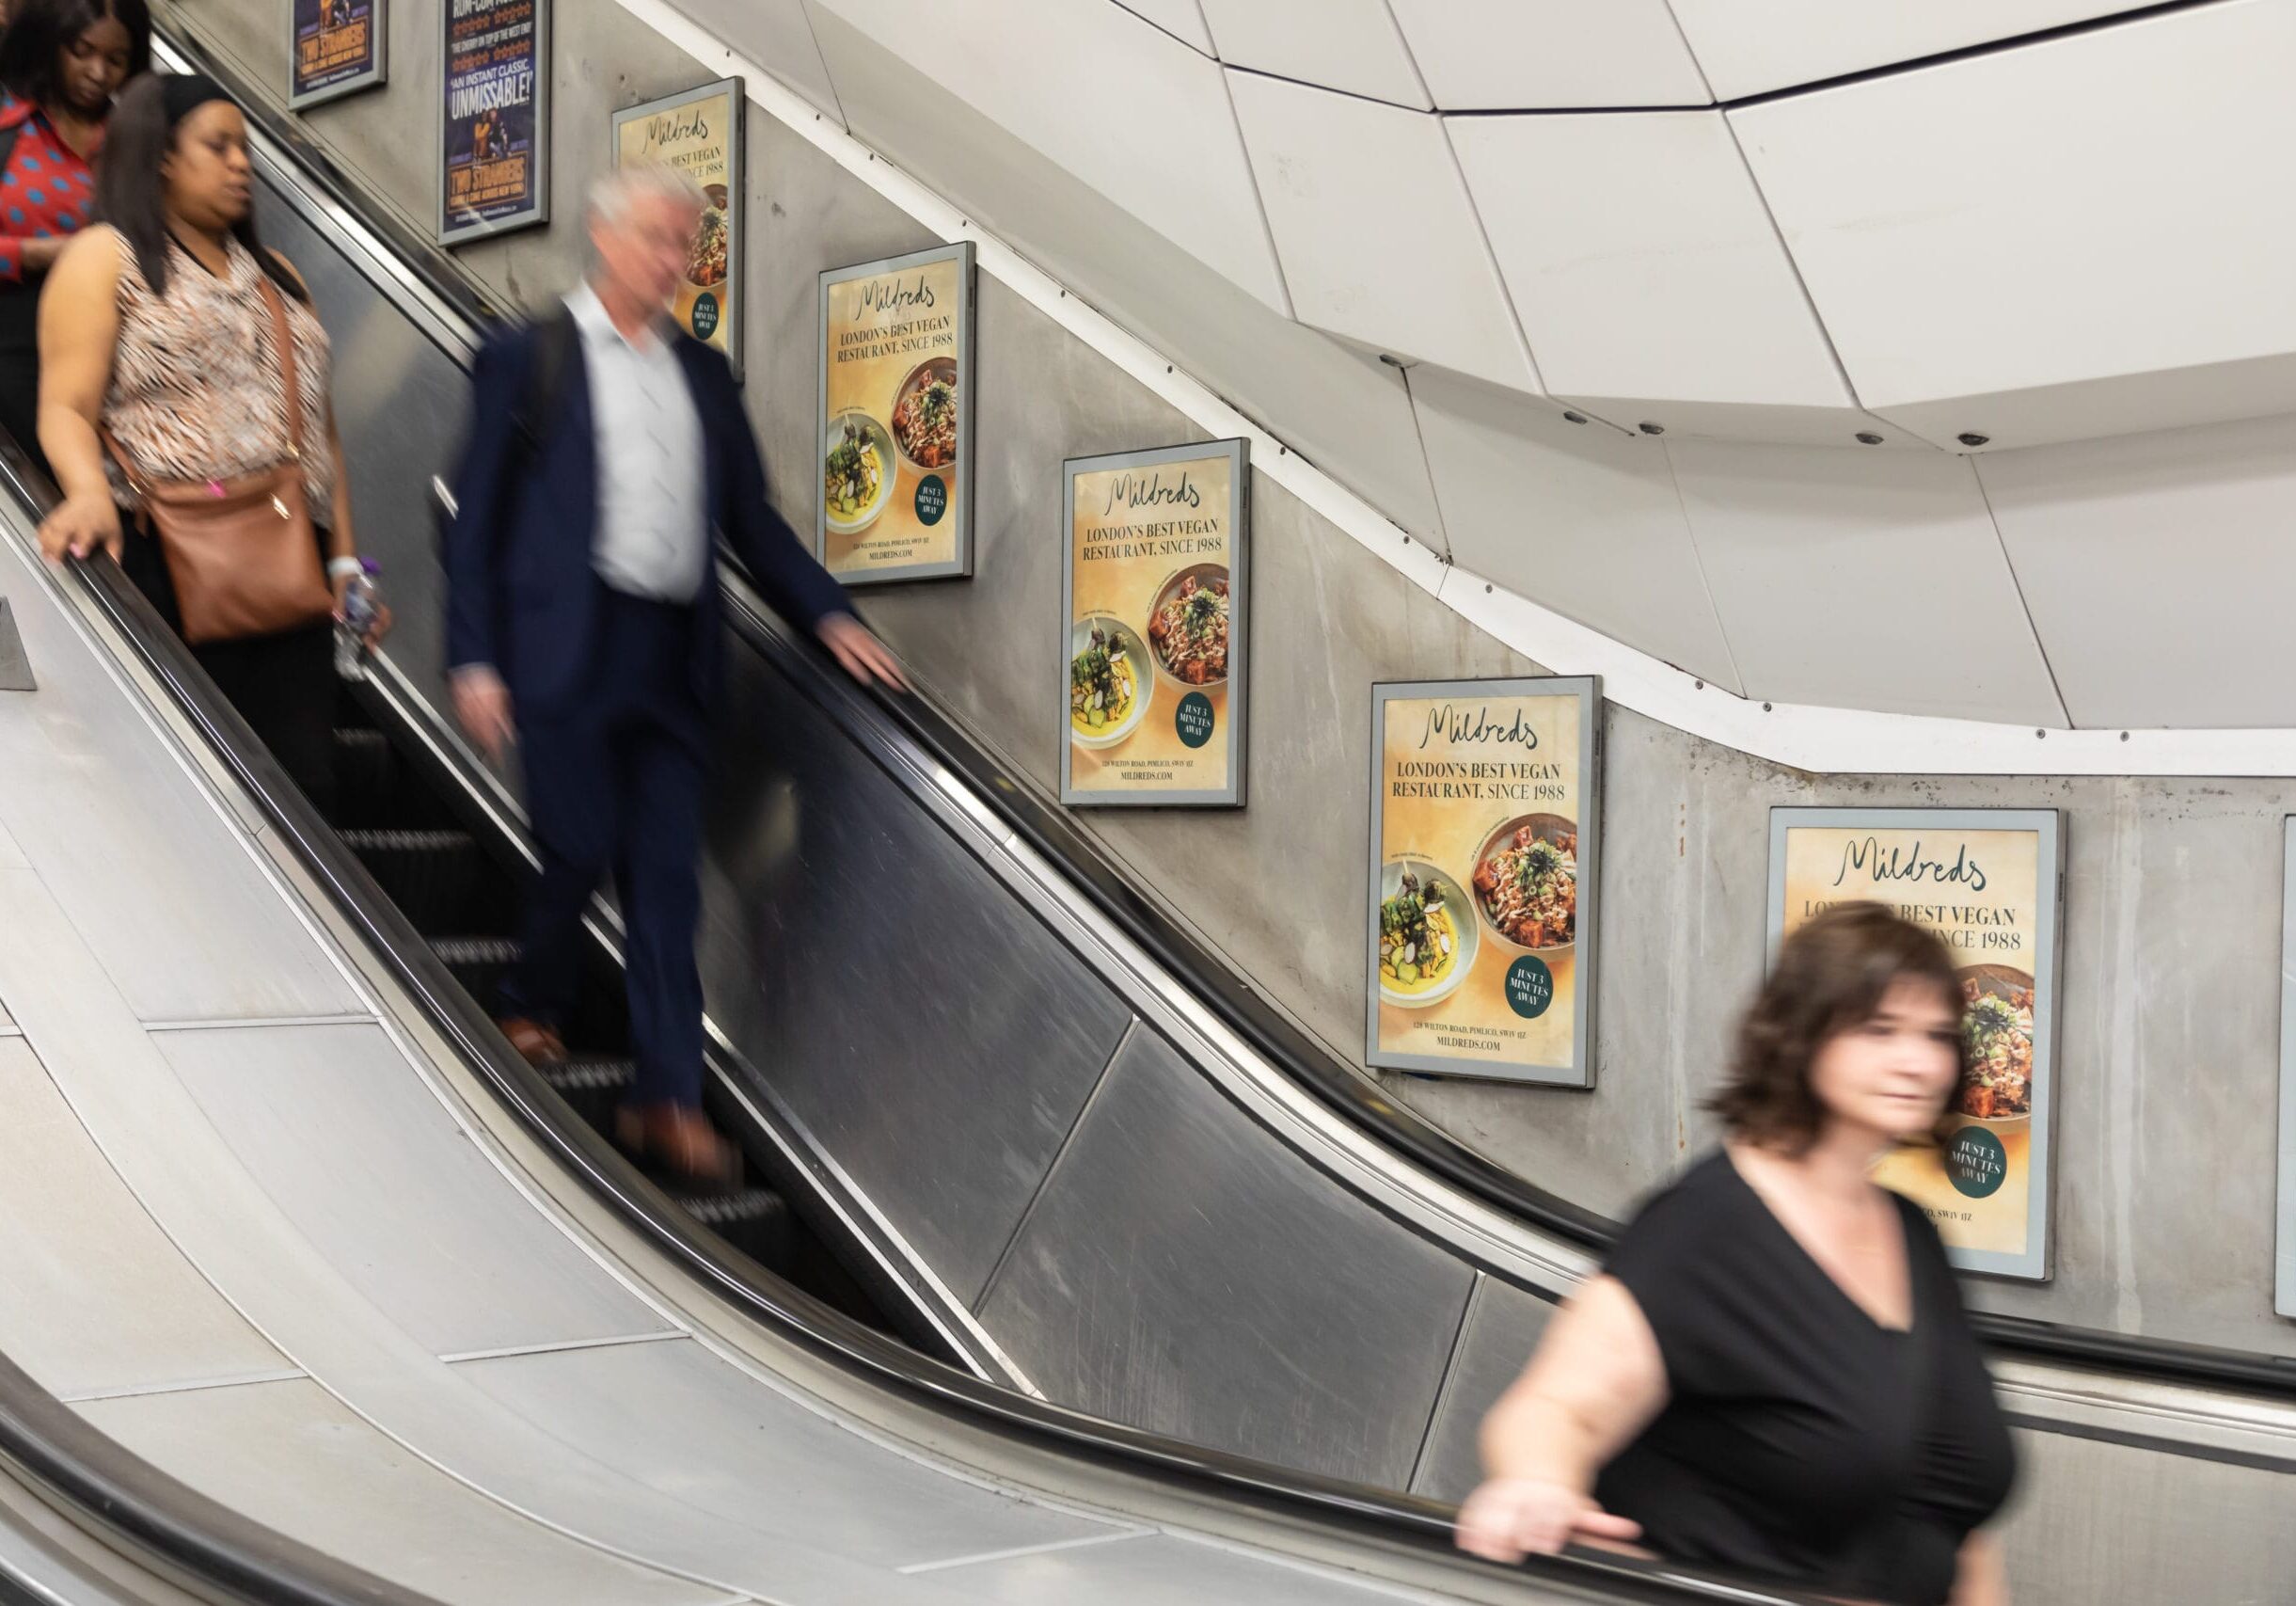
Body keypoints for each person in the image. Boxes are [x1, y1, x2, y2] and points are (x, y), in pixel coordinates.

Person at [443, 164, 906, 1185]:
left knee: (665, 879)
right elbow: (475, 528)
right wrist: (472, 657)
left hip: (674, 657)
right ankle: (532, 999)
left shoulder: (702, 375)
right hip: (565, 646)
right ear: (606, 239)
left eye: (682, 245)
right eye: (656, 240)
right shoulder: (529, 357)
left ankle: (666, 1095)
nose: (673, 261)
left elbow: (750, 519)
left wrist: (827, 615)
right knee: (574, 842)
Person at [1458, 902, 2017, 1606]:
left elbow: (1952, 1519)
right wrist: (1535, 1482)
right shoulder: (1707, 1227)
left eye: (1935, 1035)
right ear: (1800, 1036)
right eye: (1878, 1029)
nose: (1917, 1060)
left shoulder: (1911, 1234)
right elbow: (1552, 1408)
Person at [36, 72, 386, 815]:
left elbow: (321, 435)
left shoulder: (281, 278)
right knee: (188, 795)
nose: (240, 164)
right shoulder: (105, 258)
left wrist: (346, 563)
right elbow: (65, 405)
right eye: (217, 146)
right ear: (160, 155)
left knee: (306, 793)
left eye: (245, 150)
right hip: (168, 557)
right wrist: (89, 493)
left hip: (287, 567)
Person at [0, 0, 148, 469]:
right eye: (82, 51)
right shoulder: (11, 125)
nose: (98, 72)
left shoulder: (136, 144)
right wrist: (32, 254)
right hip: (12, 329)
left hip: (107, 346)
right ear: (53, 44)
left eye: (115, 60)